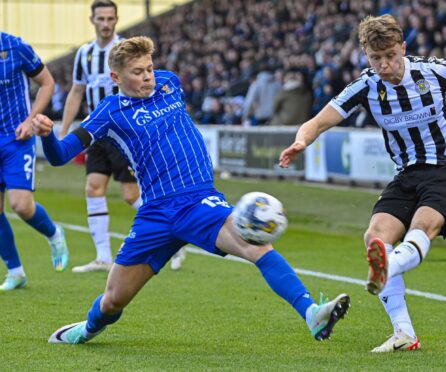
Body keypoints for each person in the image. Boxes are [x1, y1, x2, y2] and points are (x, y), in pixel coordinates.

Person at [32, 36, 350, 344]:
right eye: (137, 72)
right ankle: (87, 330)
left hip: (199, 201)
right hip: (155, 213)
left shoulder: (169, 82)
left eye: (149, 68)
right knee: (113, 300)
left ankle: (312, 313)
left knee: (255, 246)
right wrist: (47, 134)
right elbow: (60, 155)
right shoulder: (109, 112)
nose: (148, 77)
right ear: (116, 76)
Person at [279, 14, 446, 352]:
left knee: (423, 226)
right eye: (376, 58)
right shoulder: (366, 85)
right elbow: (317, 122)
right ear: (365, 55)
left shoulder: (439, 72)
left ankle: (387, 267)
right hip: (406, 173)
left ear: (403, 48)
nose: (384, 65)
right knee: (375, 236)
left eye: (390, 56)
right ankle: (404, 333)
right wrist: (301, 141)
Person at [60, 0, 161, 273]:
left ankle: (173, 232)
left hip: (124, 132)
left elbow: (147, 86)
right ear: (92, 20)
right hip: (96, 132)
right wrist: (65, 128)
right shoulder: (85, 54)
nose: (105, 23)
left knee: (131, 194)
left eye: (110, 18)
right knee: (93, 187)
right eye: (101, 18)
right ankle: (103, 257)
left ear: (116, 20)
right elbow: (77, 91)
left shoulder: (127, 51)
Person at [0, 32, 69, 291]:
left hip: (16, 138)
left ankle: (54, 233)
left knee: (21, 206)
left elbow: (47, 83)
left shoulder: (15, 47)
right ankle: (16, 272)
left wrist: (31, 120)